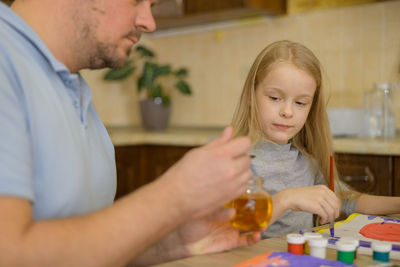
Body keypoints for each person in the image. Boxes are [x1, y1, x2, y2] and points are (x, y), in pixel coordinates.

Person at [0, 0, 265, 266]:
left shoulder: (73, 89)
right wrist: (174, 196)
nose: (149, 23)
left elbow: (86, 250)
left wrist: (172, 243)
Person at [231, 40, 400, 239]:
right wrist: (286, 199)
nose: (287, 111)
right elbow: (236, 229)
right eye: (275, 98)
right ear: (251, 95)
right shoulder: (236, 163)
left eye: (301, 102)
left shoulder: (307, 162)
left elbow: (348, 201)